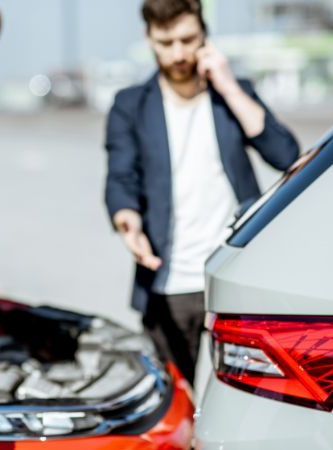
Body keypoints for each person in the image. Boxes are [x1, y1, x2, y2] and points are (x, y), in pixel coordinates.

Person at [104, 0, 299, 385]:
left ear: (204, 35)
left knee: (251, 398)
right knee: (177, 406)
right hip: (168, 284)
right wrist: (129, 225)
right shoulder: (131, 106)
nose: (177, 53)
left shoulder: (232, 95)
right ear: (149, 39)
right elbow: (120, 177)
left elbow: (285, 155)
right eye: (166, 42)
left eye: (187, 39)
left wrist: (227, 85)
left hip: (234, 278)